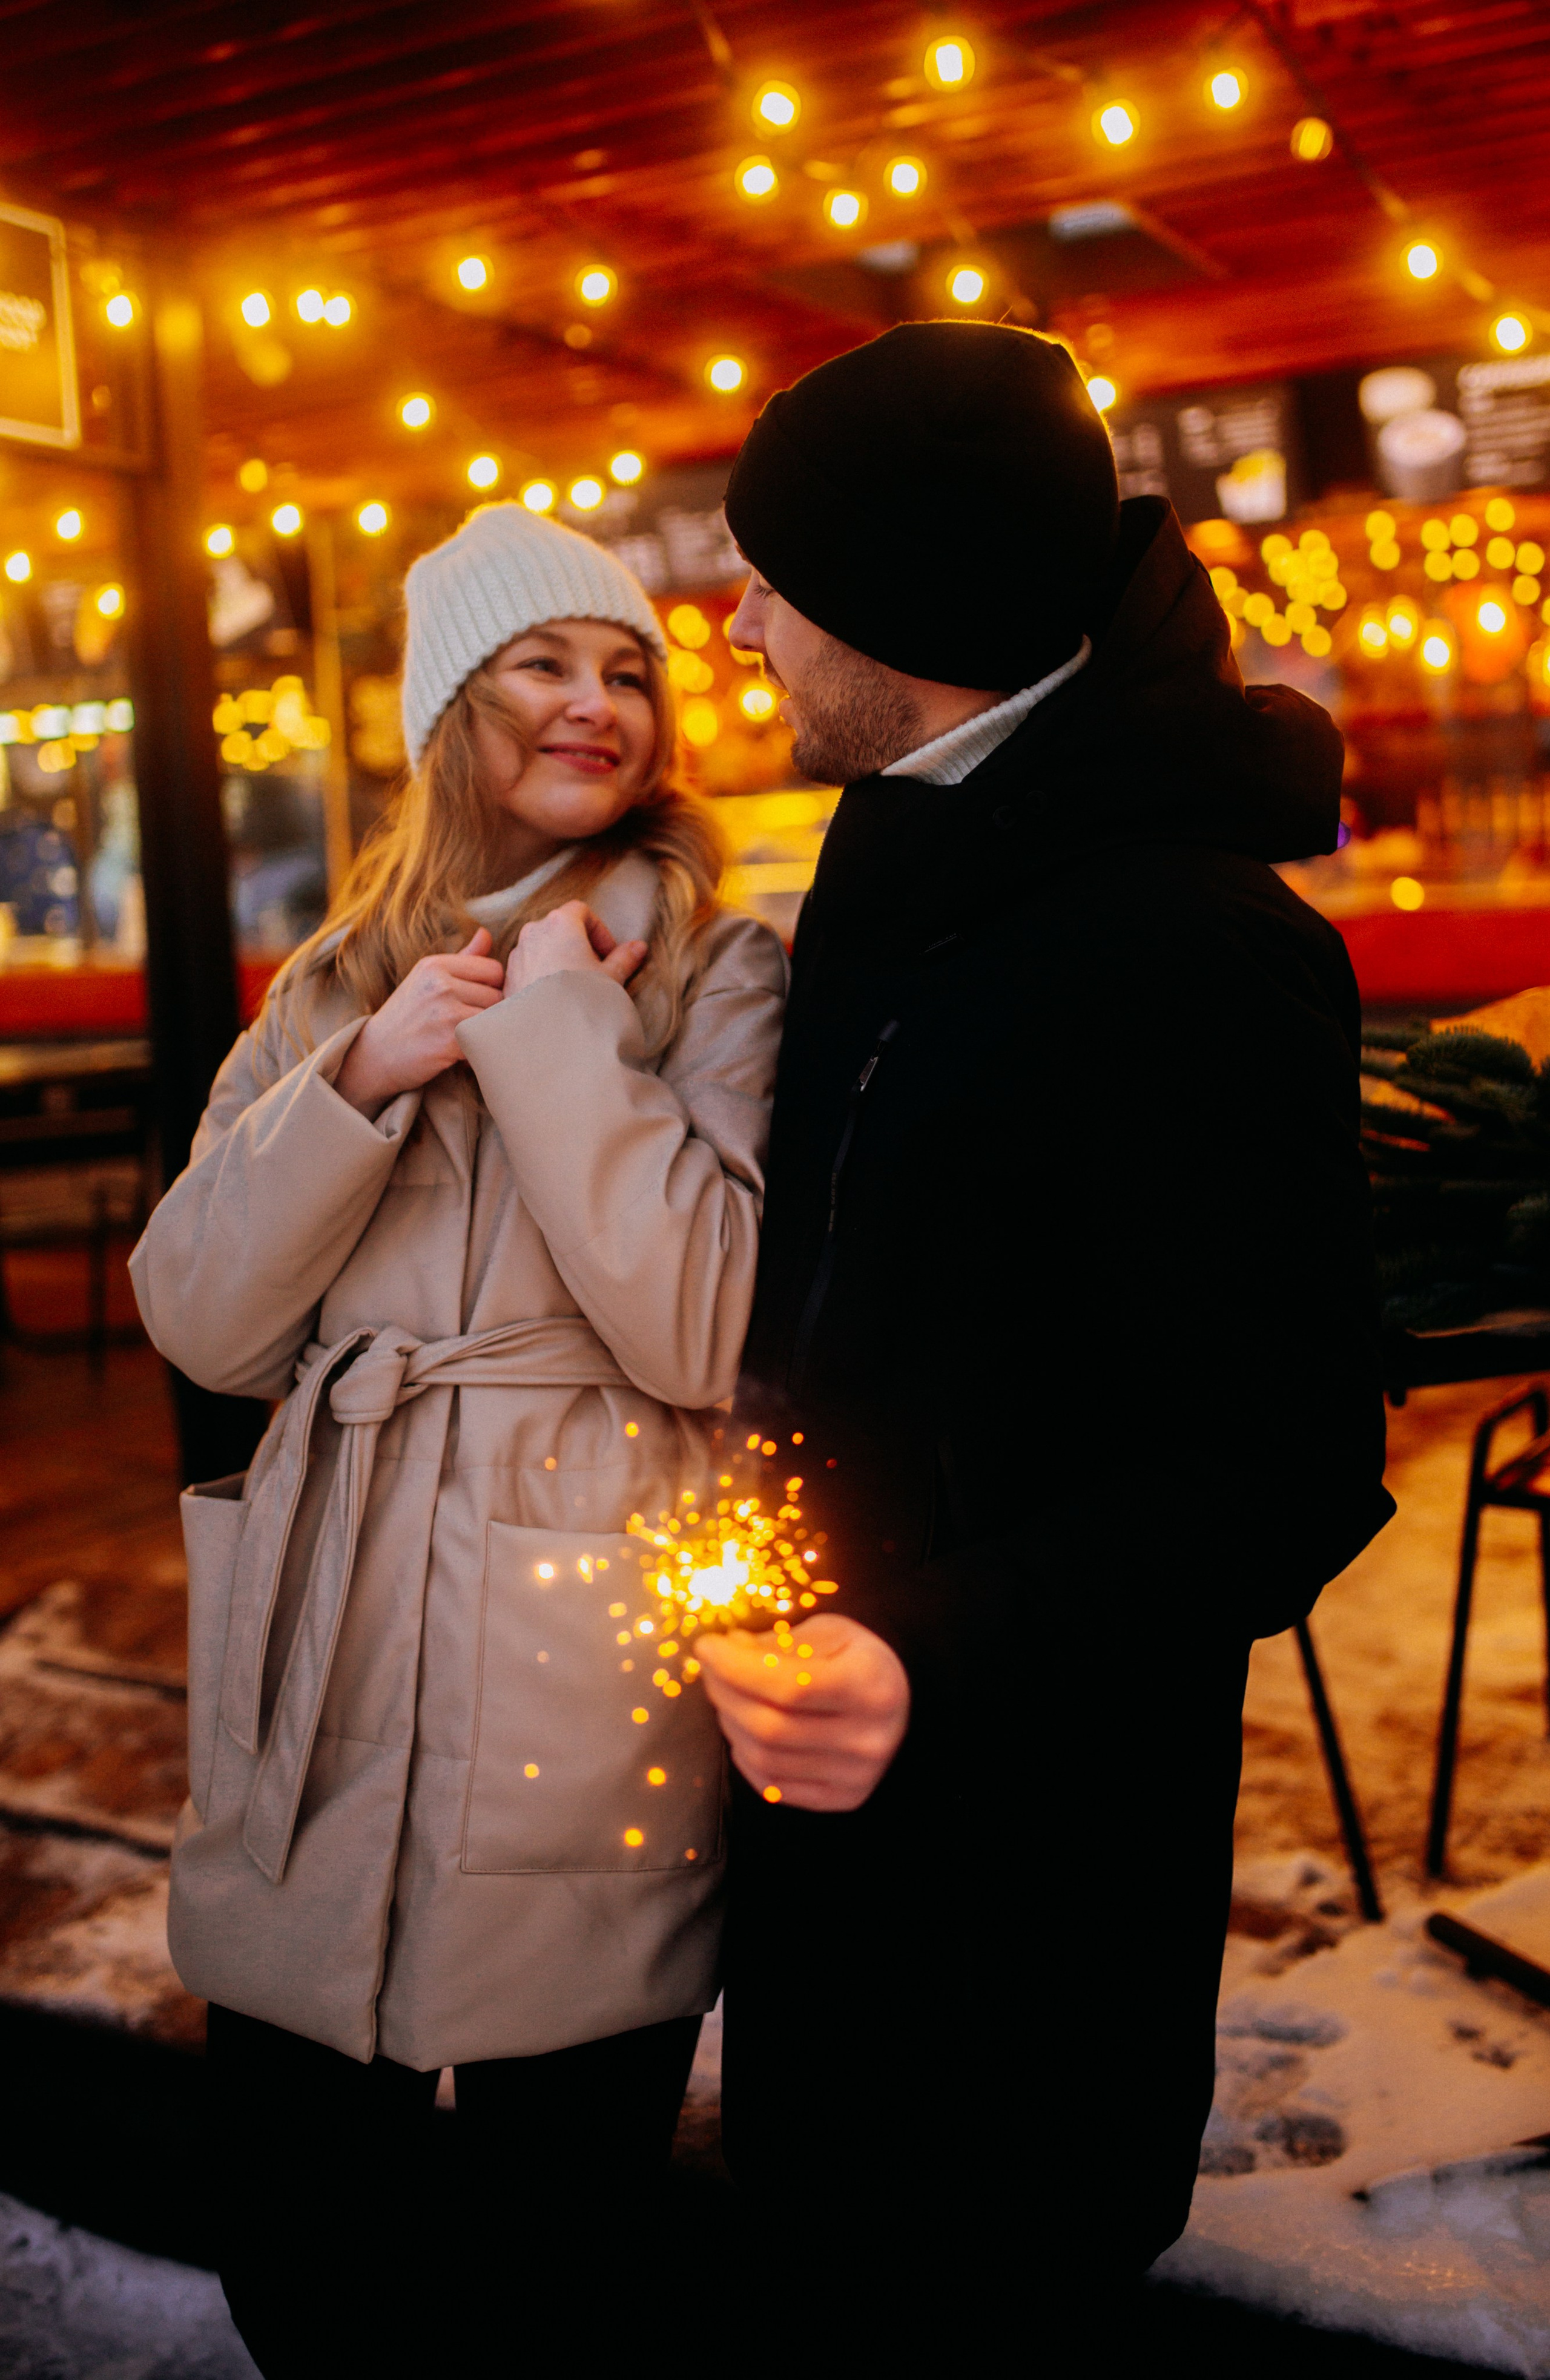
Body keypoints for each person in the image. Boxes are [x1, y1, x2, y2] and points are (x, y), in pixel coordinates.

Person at [691, 322, 1394, 2336]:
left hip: (1039, 1910)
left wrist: (926, 1653)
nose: (737, 623)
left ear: (903, 610)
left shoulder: (1201, 941)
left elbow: (1285, 1466)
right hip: (813, 1839)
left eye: (776, 580)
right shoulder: (886, 854)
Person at [129, 504, 785, 2375]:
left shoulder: (718, 978)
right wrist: (363, 1079)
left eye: (631, 672)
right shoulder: (330, 983)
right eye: (545, 665)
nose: (601, 704)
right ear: (448, 711)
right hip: (321, 1624)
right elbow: (200, 1315)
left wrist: (562, 1028)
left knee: (551, 2252)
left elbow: (701, 1325)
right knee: (300, 2259)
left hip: (577, 1638)